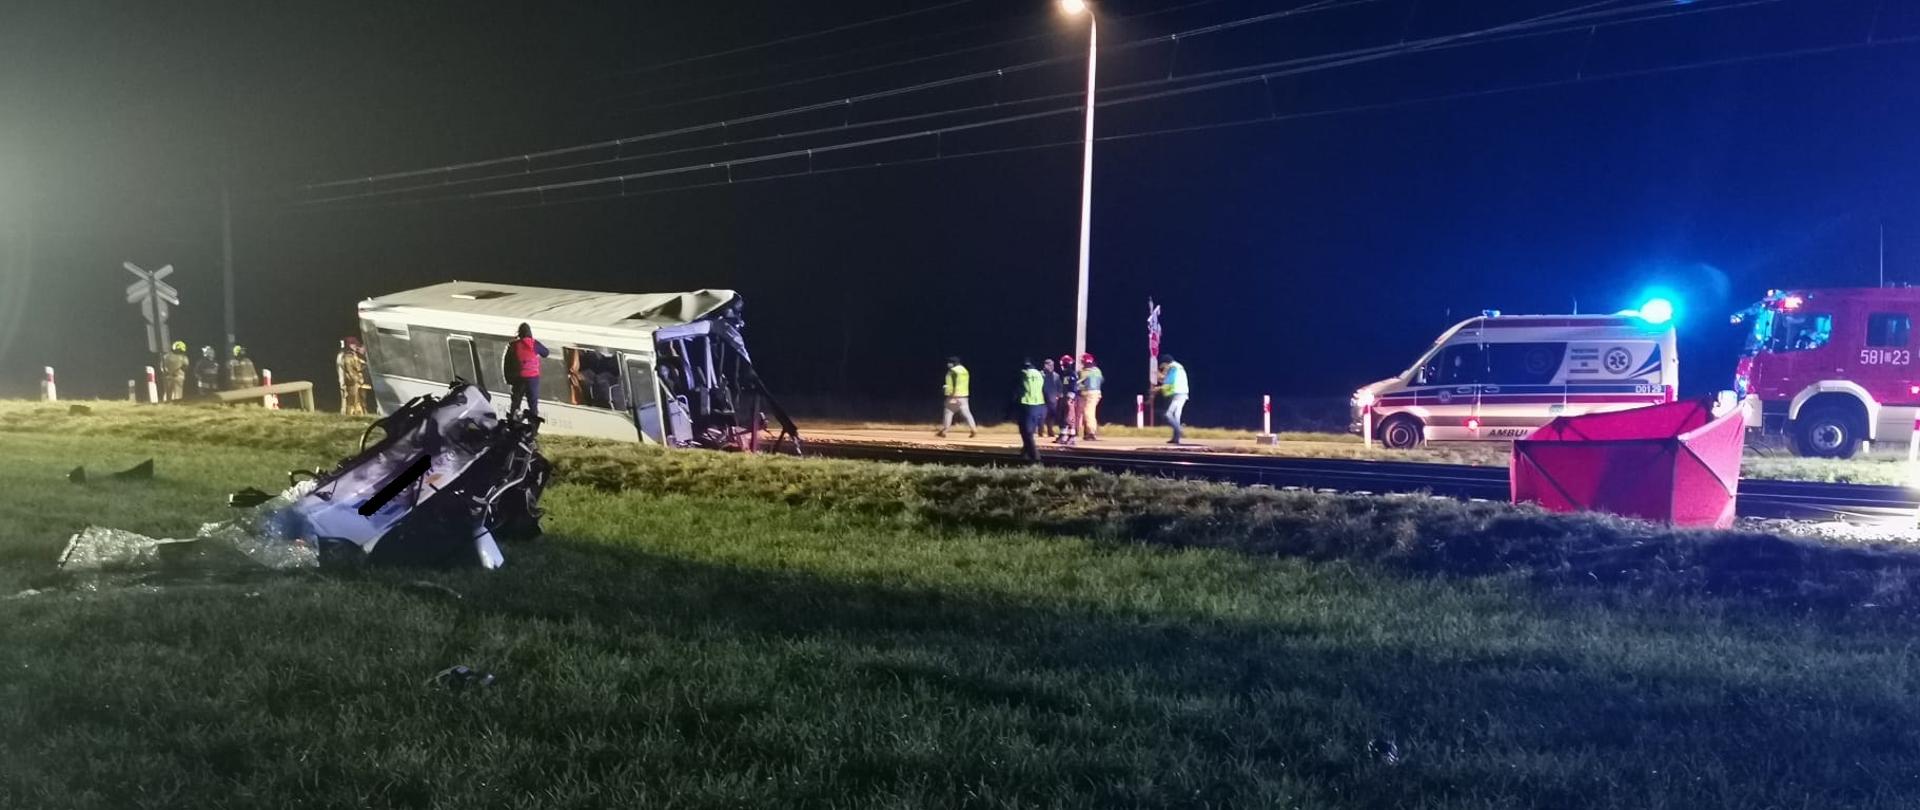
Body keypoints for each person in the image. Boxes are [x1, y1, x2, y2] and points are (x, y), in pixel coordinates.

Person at [502, 322, 550, 418]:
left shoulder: (513, 345)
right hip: (533, 378)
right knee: (533, 404)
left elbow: (506, 363)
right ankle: (533, 428)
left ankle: (513, 424)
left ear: (519, 333)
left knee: (516, 403)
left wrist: (507, 379)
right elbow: (546, 353)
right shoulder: (534, 343)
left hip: (518, 378)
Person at [1015, 358, 1048, 462]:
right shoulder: (1039, 375)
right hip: (1039, 404)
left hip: (1027, 404)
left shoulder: (1023, 374)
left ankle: (1035, 457)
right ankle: (1024, 455)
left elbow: (1018, 389)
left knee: (1026, 432)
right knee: (1030, 431)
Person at [938, 356, 977, 438]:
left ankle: (945, 430)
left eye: (950, 363)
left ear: (954, 363)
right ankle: (973, 428)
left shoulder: (953, 371)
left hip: (954, 395)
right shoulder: (965, 370)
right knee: (967, 414)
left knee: (948, 412)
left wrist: (953, 395)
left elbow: (954, 383)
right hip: (964, 396)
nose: (948, 364)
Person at [1157, 354, 1189, 445]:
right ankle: (1176, 439)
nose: (1163, 368)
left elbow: (1169, 382)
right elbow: (1169, 381)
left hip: (1177, 393)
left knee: (1168, 414)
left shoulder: (1172, 367)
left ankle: (1179, 430)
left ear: (1166, 363)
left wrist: (1160, 380)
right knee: (1176, 416)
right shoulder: (1179, 366)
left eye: (1163, 366)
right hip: (1183, 393)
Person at [337, 337, 369, 416]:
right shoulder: (346, 356)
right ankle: (348, 414)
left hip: (355, 381)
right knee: (351, 400)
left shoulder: (353, 355)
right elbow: (351, 369)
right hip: (352, 381)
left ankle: (358, 413)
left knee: (357, 399)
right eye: (353, 345)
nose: (355, 347)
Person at [1078, 352, 1104, 441]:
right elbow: (1101, 380)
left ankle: (1091, 433)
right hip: (1096, 393)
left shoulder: (1084, 372)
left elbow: (1078, 384)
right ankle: (1087, 432)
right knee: (1087, 413)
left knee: (1089, 413)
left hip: (1089, 394)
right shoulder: (1097, 370)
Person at [1054, 354, 1078, 444]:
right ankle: (1063, 435)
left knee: (1069, 417)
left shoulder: (1071, 374)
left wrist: (1070, 397)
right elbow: (1065, 385)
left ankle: (1071, 437)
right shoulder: (1066, 374)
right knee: (1064, 417)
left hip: (1069, 398)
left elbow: (1073, 387)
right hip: (1065, 397)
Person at [1039, 358, 1063, 438]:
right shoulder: (1040, 374)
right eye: (1049, 365)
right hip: (1042, 398)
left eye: (1052, 365)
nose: (1051, 366)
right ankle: (1041, 432)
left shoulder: (1056, 375)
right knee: (1042, 415)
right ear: (1045, 365)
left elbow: (1059, 386)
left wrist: (1058, 395)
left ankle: (1050, 431)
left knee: (1051, 415)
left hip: (1052, 398)